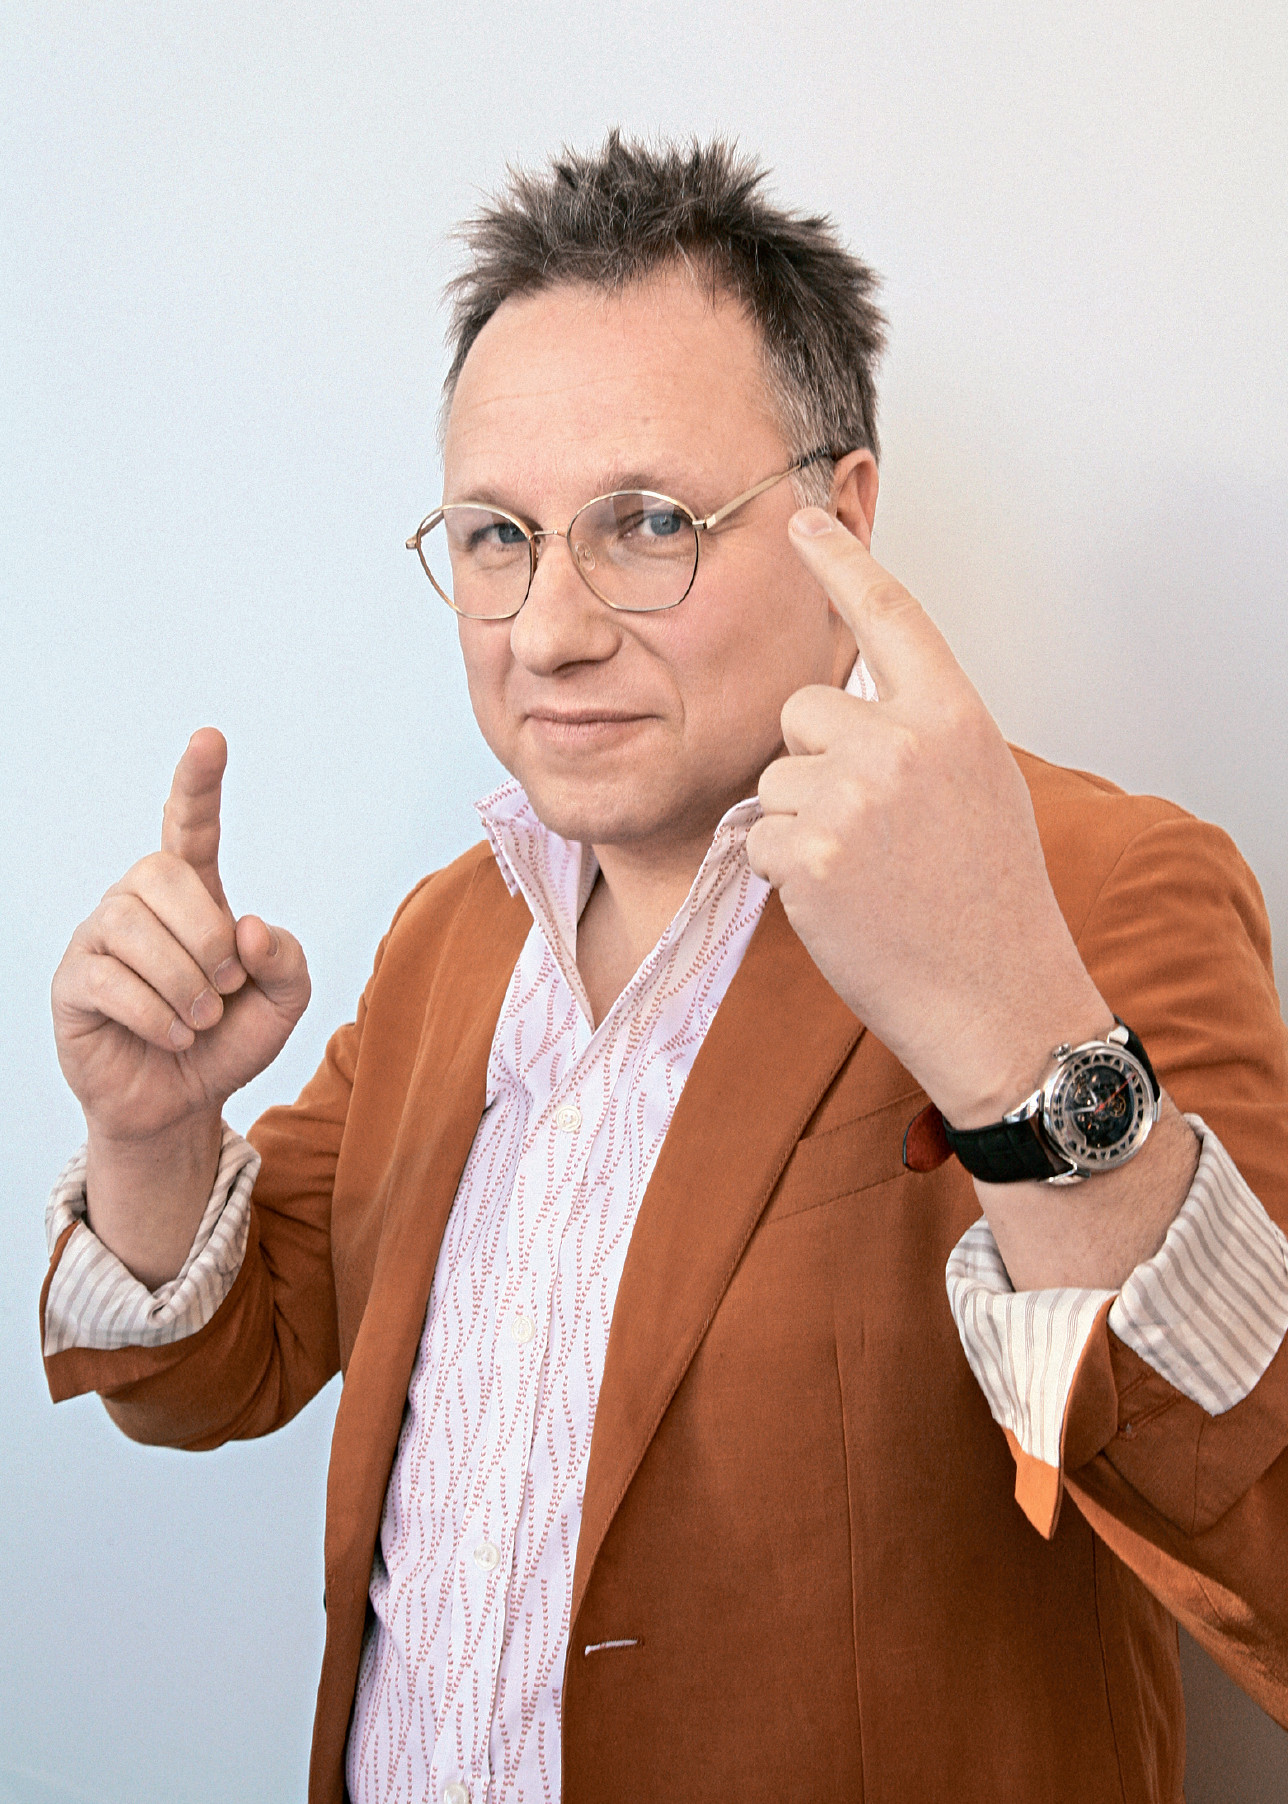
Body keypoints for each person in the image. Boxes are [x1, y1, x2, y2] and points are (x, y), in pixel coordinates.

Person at [42, 133, 1288, 1804]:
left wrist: (1015, 1036)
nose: (548, 630)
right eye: (498, 534)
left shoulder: (1088, 892)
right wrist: (150, 1137)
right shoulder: (451, 935)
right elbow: (210, 1374)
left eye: (646, 523)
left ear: (844, 517)